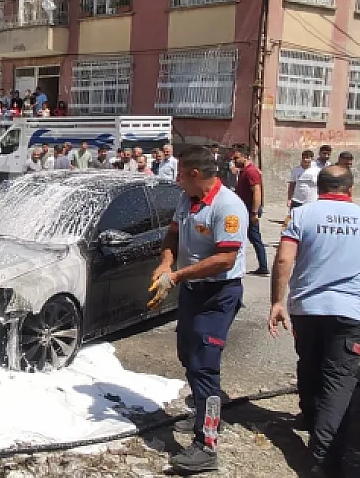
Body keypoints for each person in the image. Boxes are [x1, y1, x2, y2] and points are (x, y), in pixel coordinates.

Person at [268, 166, 360, 478]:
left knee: (309, 362)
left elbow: (283, 259)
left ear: (320, 187)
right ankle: (322, 456)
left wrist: (277, 301)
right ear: (350, 189)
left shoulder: (302, 215)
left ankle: (310, 420)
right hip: (350, 312)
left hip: (307, 308)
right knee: (338, 381)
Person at [148, 147, 249, 474]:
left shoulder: (229, 206)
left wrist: (176, 276)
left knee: (205, 366)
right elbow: (173, 235)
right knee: (188, 354)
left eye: (179, 174)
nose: (176, 180)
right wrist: (166, 262)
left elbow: (225, 259)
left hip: (219, 294)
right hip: (192, 292)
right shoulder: (187, 200)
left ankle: (207, 445)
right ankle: (204, 409)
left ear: (194, 174)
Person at [231, 148, 268, 276]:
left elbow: (257, 192)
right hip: (245, 208)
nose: (234, 161)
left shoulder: (251, 171)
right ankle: (262, 266)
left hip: (249, 209)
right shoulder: (244, 171)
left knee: (254, 238)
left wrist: (254, 212)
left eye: (236, 158)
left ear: (245, 157)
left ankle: (263, 267)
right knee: (245, 237)